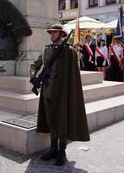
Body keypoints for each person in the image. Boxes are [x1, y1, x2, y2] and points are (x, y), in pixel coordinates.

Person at [30, 23, 90, 166]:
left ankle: (62, 151)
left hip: (62, 92)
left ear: (61, 34)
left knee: (62, 120)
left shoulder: (69, 52)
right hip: (47, 90)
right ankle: (53, 149)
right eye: (50, 33)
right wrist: (33, 76)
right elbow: (35, 64)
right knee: (51, 120)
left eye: (54, 33)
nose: (52, 35)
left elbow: (74, 74)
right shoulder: (46, 49)